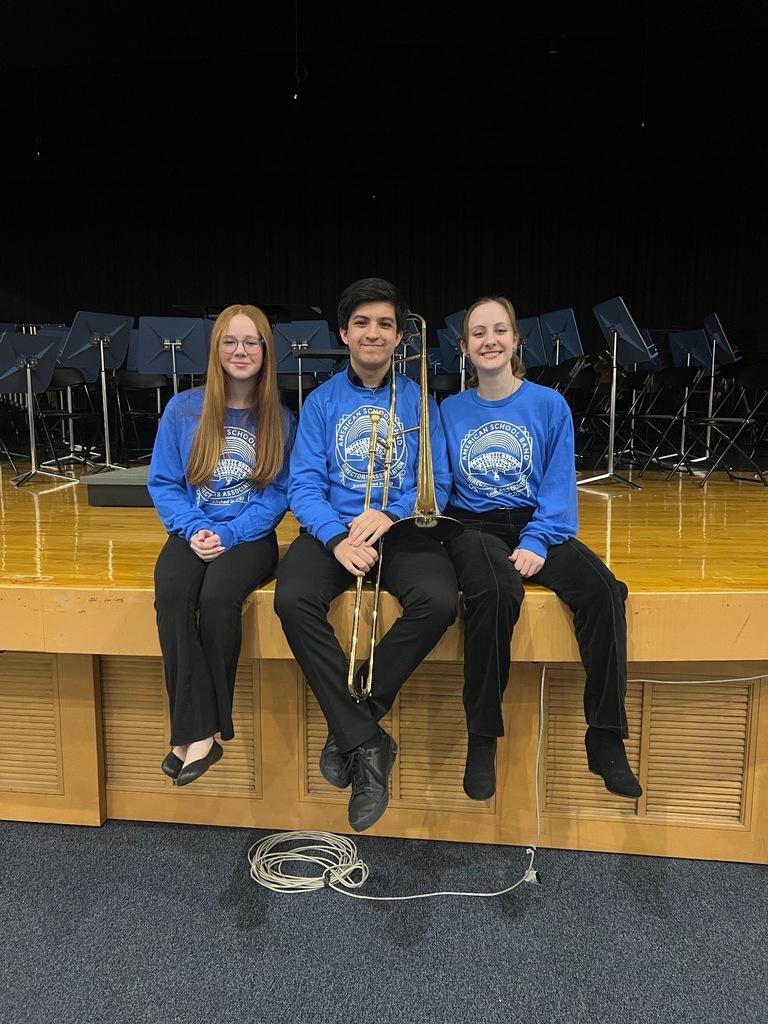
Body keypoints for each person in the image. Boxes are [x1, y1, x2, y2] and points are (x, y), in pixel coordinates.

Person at [439, 296, 642, 803]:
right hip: (475, 527)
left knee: (603, 592)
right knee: (493, 593)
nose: (490, 340)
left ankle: (605, 734)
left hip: (537, 523)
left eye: (499, 330)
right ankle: (482, 737)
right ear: (465, 349)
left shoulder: (549, 403)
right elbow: (440, 488)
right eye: (479, 333)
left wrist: (535, 540)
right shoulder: (448, 409)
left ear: (514, 341)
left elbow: (557, 487)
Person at [274, 277, 459, 832]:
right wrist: (336, 537)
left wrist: (392, 513)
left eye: (384, 324)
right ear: (344, 332)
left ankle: (354, 721)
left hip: (398, 528)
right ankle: (370, 744)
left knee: (439, 599)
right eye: (362, 323)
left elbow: (439, 481)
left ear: (399, 337)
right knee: (292, 599)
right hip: (335, 531)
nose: (372, 333)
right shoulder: (322, 401)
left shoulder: (421, 397)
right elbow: (302, 485)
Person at [147, 304, 294, 787]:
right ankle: (198, 729)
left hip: (249, 536)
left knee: (216, 600)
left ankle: (200, 735)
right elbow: (165, 483)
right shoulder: (183, 409)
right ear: (216, 350)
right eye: (230, 341)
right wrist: (194, 529)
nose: (241, 351)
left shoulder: (280, 418)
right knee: (171, 597)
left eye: (252, 342)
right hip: (192, 530)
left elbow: (278, 495)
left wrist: (229, 533)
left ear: (266, 350)